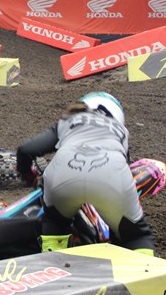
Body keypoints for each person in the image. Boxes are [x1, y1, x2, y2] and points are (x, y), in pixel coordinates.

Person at [16, 92, 155, 256]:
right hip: (110, 173)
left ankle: (52, 261)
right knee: (136, 235)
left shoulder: (68, 121)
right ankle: (148, 268)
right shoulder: (120, 130)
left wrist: (28, 175)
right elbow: (125, 166)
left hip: (64, 173)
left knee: (55, 223)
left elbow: (26, 149)